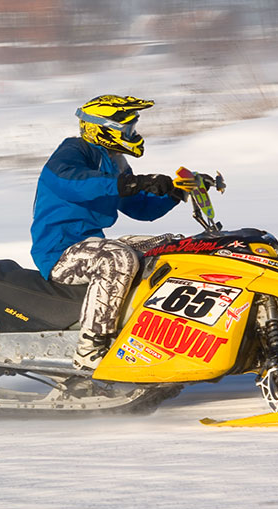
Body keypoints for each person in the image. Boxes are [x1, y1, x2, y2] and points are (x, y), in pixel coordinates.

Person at [30, 95, 188, 370]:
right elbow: (71, 182)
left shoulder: (114, 163)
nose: (134, 135)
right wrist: (130, 183)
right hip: (60, 253)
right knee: (118, 259)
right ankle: (90, 349)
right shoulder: (73, 152)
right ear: (103, 128)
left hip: (93, 245)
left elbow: (140, 209)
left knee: (170, 247)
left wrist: (175, 192)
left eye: (133, 129)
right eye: (128, 130)